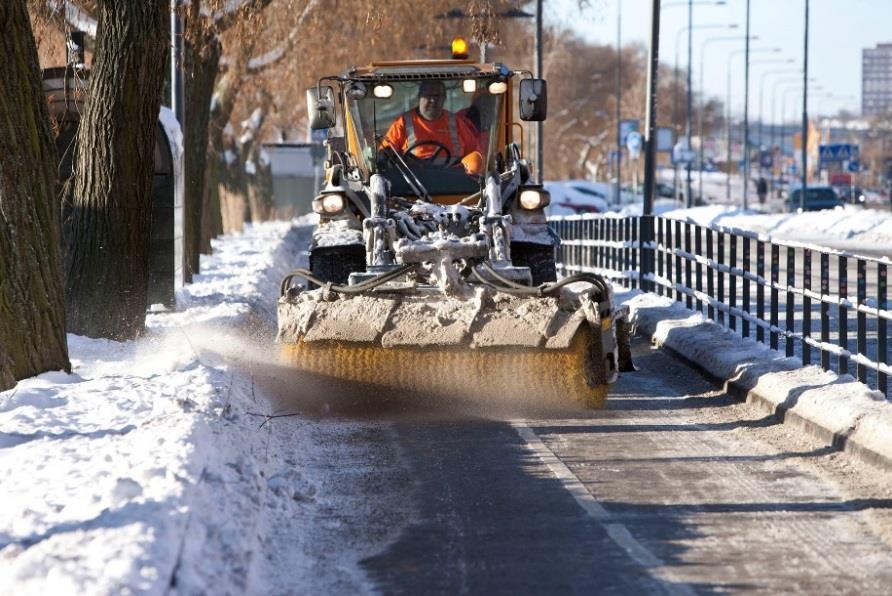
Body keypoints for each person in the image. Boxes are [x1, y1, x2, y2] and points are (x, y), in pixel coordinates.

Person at [382, 80, 483, 176]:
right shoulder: (403, 123)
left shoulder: (456, 123)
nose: (433, 100)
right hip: (413, 183)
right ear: (419, 97)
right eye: (428, 95)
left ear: (444, 98)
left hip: (454, 182)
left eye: (437, 96)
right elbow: (385, 153)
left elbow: (475, 152)